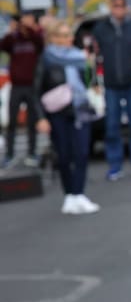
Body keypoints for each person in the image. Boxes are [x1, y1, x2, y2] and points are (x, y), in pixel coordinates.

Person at [34, 22, 101, 214]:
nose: (69, 39)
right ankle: (69, 195)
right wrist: (41, 118)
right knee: (63, 155)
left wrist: (90, 66)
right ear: (53, 38)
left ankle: (79, 193)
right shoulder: (46, 59)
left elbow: (89, 80)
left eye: (69, 35)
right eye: (63, 36)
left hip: (80, 109)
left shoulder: (79, 57)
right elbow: (36, 89)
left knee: (81, 152)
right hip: (57, 113)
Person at [91, 0, 131, 180]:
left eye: (121, 6)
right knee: (111, 126)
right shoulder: (101, 29)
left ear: (126, 8)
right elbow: (95, 57)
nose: (118, 9)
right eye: (115, 6)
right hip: (111, 85)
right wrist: (95, 80)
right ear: (110, 7)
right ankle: (114, 165)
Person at [1, 13, 44, 168]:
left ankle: (32, 153)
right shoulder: (14, 38)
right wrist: (12, 30)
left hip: (32, 85)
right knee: (12, 121)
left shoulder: (35, 38)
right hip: (17, 85)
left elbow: (41, 44)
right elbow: (3, 46)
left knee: (32, 121)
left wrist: (30, 29)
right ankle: (9, 154)